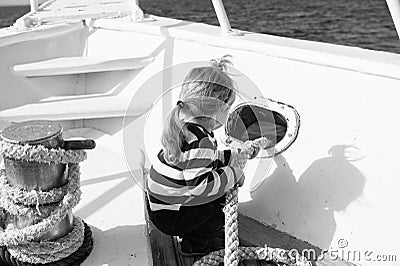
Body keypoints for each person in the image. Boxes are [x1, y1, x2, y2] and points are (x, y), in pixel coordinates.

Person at [146, 55, 248, 256]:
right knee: (216, 210)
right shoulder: (202, 141)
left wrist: (230, 157)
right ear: (218, 110)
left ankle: (194, 231)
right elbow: (201, 187)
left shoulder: (185, 128)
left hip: (161, 210)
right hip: (173, 219)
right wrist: (234, 174)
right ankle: (195, 244)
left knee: (216, 187)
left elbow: (199, 161)